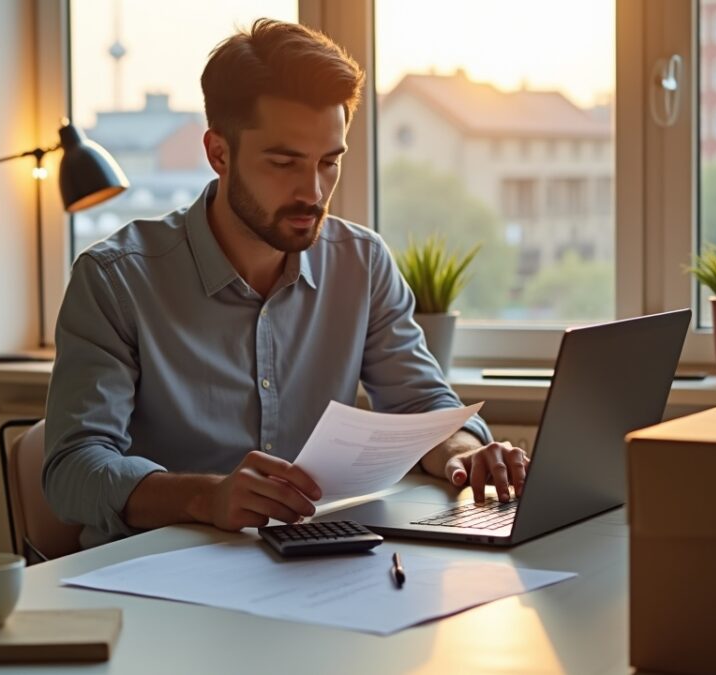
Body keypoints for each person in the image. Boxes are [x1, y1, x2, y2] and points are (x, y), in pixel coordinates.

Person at [44, 19, 528, 548]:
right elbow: (72, 470)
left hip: (310, 562)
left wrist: (463, 452)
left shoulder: (362, 263)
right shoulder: (115, 280)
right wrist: (205, 497)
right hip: (153, 570)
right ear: (219, 153)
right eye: (284, 162)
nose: (313, 192)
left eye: (329, 162)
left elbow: (423, 405)